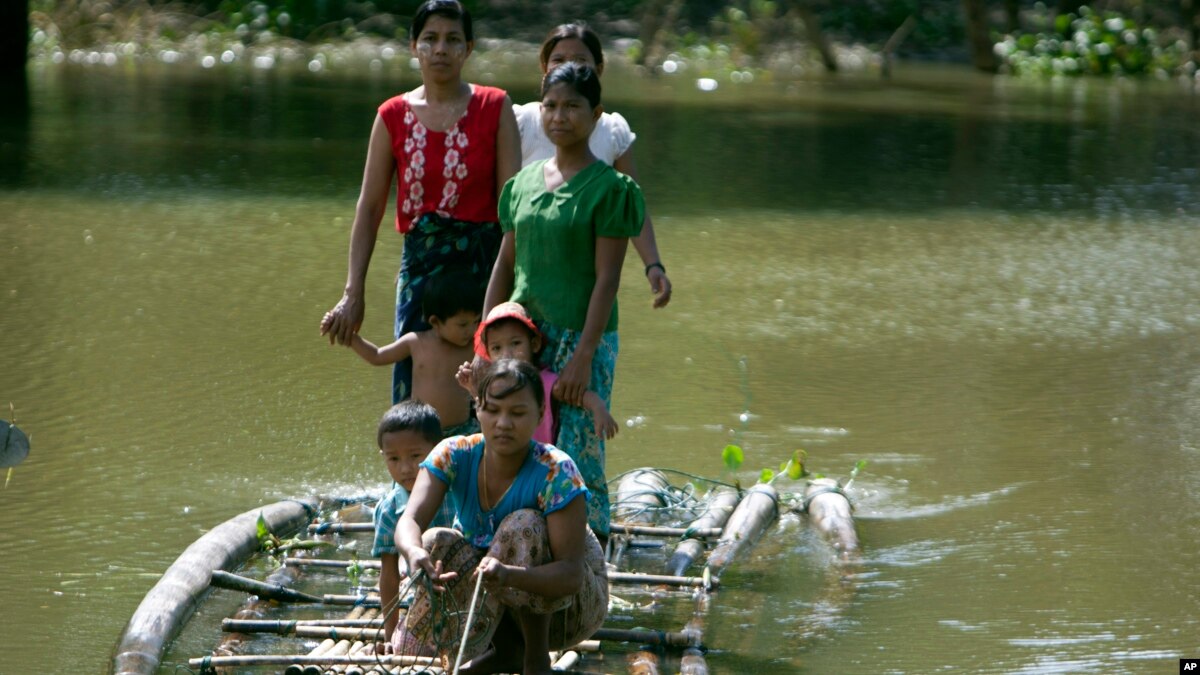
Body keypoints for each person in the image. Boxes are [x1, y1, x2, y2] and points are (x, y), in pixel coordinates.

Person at [321, 0, 521, 406]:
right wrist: (353, 291)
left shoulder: (495, 107)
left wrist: (514, 289)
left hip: (484, 268)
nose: (441, 49)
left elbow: (512, 208)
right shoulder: (392, 115)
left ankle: (485, 468)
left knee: (489, 381)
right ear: (414, 47)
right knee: (415, 387)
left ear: (469, 48)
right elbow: (370, 208)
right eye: (430, 39)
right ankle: (413, 470)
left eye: (452, 40)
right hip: (421, 274)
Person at [485, 63, 644, 538]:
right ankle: (522, 539)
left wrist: (583, 357)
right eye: (551, 106)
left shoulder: (610, 190)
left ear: (595, 115)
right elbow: (504, 265)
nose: (560, 116)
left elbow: (606, 279)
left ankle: (588, 553)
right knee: (514, 435)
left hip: (582, 336)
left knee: (576, 448)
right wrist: (483, 342)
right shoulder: (524, 184)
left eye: (573, 106)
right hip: (520, 336)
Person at [397, 359, 607, 674]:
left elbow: (570, 575)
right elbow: (409, 521)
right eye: (492, 411)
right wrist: (413, 553)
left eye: (517, 413)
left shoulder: (557, 470)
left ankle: (536, 660)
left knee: (523, 525)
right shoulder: (452, 453)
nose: (503, 423)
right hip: (495, 599)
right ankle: (508, 652)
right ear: (477, 410)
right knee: (433, 541)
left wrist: (509, 574)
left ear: (539, 414)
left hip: (571, 609)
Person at [513, 22, 673, 310]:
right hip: (526, 268)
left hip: (582, 274)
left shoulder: (612, 130)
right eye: (559, 60)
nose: (570, 67)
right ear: (544, 67)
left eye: (580, 61)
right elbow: (504, 203)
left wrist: (653, 264)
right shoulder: (523, 122)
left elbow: (631, 205)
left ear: (598, 71)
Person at [322, 270, 481, 436]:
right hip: (424, 434)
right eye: (463, 325)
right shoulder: (416, 342)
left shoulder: (473, 347)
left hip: (464, 432)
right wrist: (351, 338)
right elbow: (377, 355)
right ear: (435, 322)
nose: (471, 330)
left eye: (476, 321)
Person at [461, 301, 618, 444]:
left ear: (534, 344)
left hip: (537, 463)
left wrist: (599, 408)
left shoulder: (541, 381)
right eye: (497, 348)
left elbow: (577, 395)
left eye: (515, 343)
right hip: (504, 459)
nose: (506, 354)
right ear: (488, 353)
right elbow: (487, 412)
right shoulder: (494, 385)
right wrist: (472, 387)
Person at [369, 401, 457, 651]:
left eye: (415, 456)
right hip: (423, 597)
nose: (405, 468)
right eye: (393, 458)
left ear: (438, 449)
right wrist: (389, 635)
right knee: (406, 647)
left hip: (467, 584)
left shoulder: (458, 489)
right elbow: (389, 576)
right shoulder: (388, 510)